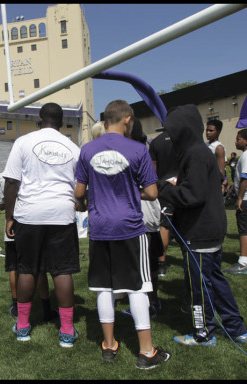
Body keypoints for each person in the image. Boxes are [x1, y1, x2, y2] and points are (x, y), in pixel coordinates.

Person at [74, 100, 171, 369]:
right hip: (129, 228)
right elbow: (152, 193)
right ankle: (146, 351)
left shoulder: (87, 149)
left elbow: (79, 194)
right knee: (137, 287)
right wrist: (129, 191)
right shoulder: (138, 149)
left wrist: (84, 204)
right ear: (127, 120)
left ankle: (108, 345)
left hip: (100, 228)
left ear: (105, 120)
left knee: (104, 287)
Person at [156, 104, 247, 346]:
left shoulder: (195, 154)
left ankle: (203, 333)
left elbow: (191, 196)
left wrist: (163, 187)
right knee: (215, 280)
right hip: (210, 228)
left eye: (172, 134)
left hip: (200, 232)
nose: (170, 139)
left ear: (183, 132)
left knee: (200, 285)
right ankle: (237, 328)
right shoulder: (199, 152)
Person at [3, 102, 81, 347]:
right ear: (61, 122)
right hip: (62, 213)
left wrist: (9, 216)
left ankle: (23, 326)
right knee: (62, 270)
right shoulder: (73, 147)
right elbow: (80, 187)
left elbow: (11, 183)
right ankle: (67, 331)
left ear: (40, 119)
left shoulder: (23, 142)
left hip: (30, 214)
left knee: (27, 268)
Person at [0, 172, 58, 322]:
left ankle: (17, 307)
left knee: (14, 267)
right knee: (40, 268)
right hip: (35, 225)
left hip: (14, 226)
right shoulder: (36, 173)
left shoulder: (3, 176)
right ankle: (45, 309)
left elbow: (1, 204)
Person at [121, 117, 163, 319]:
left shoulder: (132, 152)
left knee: (140, 265)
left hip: (140, 214)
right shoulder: (145, 148)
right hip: (150, 214)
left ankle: (146, 304)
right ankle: (153, 301)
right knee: (151, 262)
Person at [149, 130, 179, 278]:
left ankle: (161, 263)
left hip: (163, 187)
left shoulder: (156, 142)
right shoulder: (182, 139)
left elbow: (153, 169)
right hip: (182, 184)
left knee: (164, 225)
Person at [224, 129, 247, 275]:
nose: (235, 142)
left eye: (238, 139)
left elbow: (245, 177)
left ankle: (243, 262)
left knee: (244, 230)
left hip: (245, 199)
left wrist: (239, 197)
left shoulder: (245, 156)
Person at [206, 119, 227, 193]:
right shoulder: (205, 145)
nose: (208, 133)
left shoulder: (218, 148)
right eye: (207, 130)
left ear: (218, 132)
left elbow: (221, 171)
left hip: (213, 185)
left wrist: (221, 186)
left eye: (211, 131)